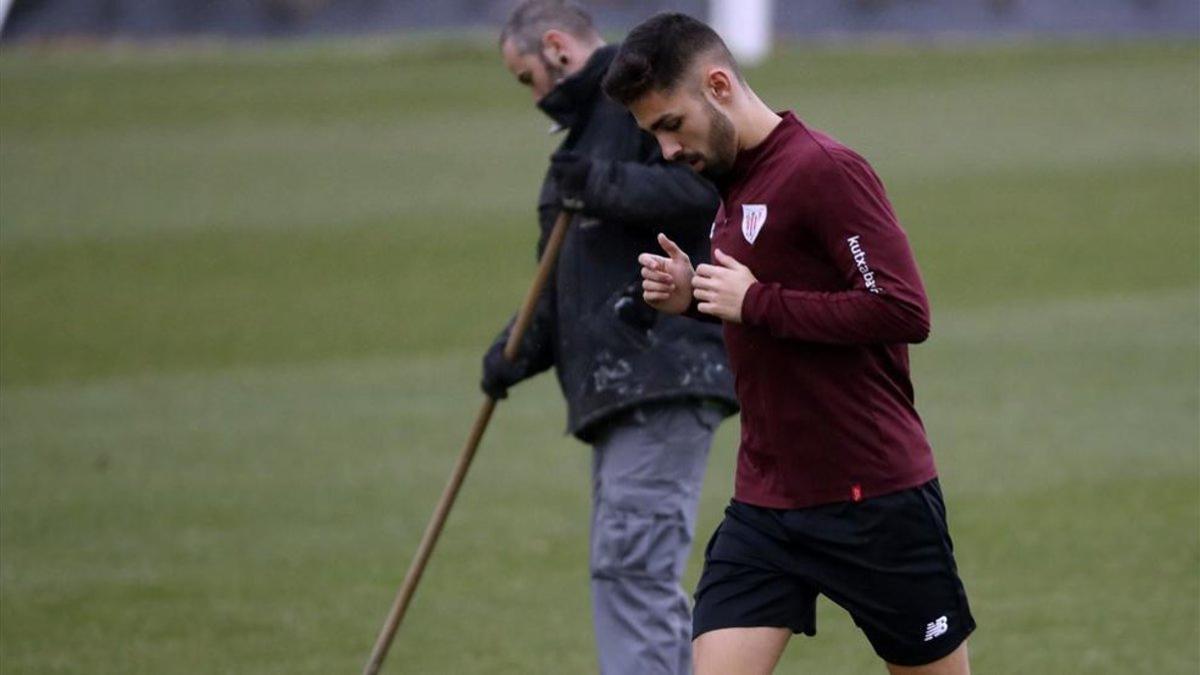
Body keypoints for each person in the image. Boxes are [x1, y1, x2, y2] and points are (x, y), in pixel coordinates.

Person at [603, 13, 975, 675]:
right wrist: (693, 297)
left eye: (669, 126)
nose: (666, 151)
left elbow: (901, 307)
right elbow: (767, 315)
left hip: (873, 497)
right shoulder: (733, 186)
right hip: (768, 504)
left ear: (718, 85)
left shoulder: (824, 169)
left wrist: (755, 301)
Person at [484, 3, 738, 673]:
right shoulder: (578, 144)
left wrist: (601, 183)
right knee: (629, 572)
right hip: (626, 385)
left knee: (632, 571)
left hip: (663, 367)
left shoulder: (640, 102)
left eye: (525, 77)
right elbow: (567, 278)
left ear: (559, 48)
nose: (533, 96)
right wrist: (518, 349)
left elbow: (706, 190)